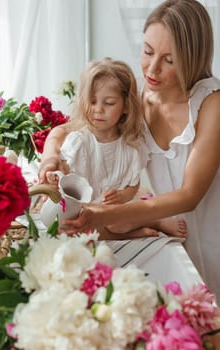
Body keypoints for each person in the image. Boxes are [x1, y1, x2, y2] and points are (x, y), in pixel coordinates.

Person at [39, 0, 220, 304]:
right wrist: (50, 158)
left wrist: (107, 215)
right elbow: (63, 131)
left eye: (169, 59)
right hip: (170, 240)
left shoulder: (212, 104)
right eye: (148, 51)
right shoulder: (136, 98)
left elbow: (190, 194)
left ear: (192, 58)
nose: (152, 68)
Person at [45, 57, 187, 238]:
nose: (98, 109)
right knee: (71, 224)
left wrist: (122, 196)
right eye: (92, 101)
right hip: (86, 208)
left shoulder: (129, 146)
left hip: (115, 212)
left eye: (109, 103)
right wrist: (54, 176)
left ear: (126, 106)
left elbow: (133, 185)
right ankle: (129, 235)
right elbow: (64, 172)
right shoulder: (79, 141)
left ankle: (154, 221)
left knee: (121, 218)